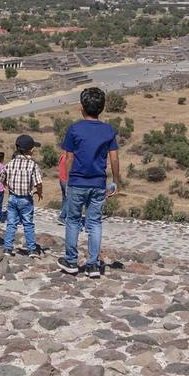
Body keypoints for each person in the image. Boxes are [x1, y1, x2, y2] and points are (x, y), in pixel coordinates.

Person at [58, 87, 121, 277]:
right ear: (101, 108)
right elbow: (114, 159)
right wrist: (115, 181)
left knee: (73, 221)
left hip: (77, 181)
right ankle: (93, 264)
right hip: (98, 183)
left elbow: (69, 158)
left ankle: (71, 261)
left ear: (82, 108)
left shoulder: (75, 129)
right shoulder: (108, 130)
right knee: (94, 223)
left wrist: (67, 180)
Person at [1, 134, 44, 255]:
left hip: (12, 198)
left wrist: (8, 184)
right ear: (31, 150)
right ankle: (31, 249)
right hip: (26, 199)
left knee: (11, 223)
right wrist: (39, 192)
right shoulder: (32, 165)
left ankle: (8, 248)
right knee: (28, 224)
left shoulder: (10, 164)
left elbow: (1, 177)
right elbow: (38, 183)